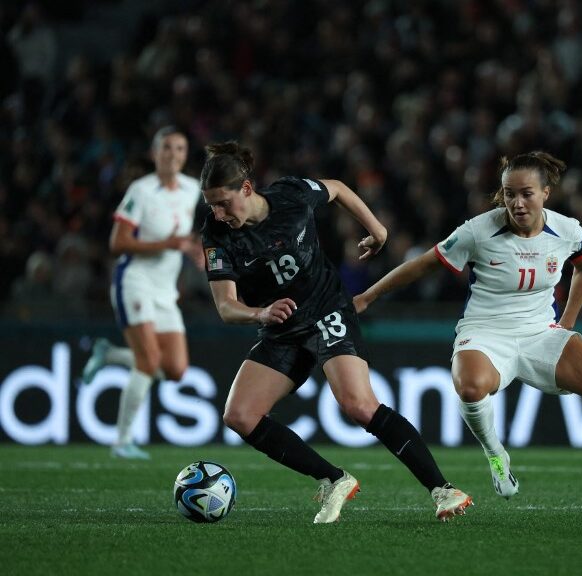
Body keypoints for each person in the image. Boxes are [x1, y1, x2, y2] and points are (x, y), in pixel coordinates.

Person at [355, 151, 582, 520]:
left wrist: (568, 323)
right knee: (470, 386)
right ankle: (496, 453)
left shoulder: (568, 231)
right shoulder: (477, 231)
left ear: (546, 192)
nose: (517, 202)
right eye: (509, 193)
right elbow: (423, 265)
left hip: (540, 333)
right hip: (485, 331)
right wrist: (368, 297)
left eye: (526, 193)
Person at [198, 141, 471, 524]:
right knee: (240, 415)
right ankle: (333, 479)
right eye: (211, 204)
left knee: (359, 406)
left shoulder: (292, 195)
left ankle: (443, 489)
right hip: (281, 326)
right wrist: (260, 312)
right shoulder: (216, 232)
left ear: (246, 188)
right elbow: (226, 306)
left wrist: (377, 229)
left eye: (223, 202)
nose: (218, 213)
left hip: (326, 309)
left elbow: (339, 188)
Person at [82, 126, 202, 460]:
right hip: (134, 280)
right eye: (166, 148)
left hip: (165, 289)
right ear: (154, 153)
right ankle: (121, 441)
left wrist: (194, 250)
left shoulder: (193, 189)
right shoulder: (141, 190)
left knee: (176, 370)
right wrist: (168, 244)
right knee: (148, 362)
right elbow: (117, 243)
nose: (173, 154)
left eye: (179, 148)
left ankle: (108, 356)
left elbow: (185, 236)